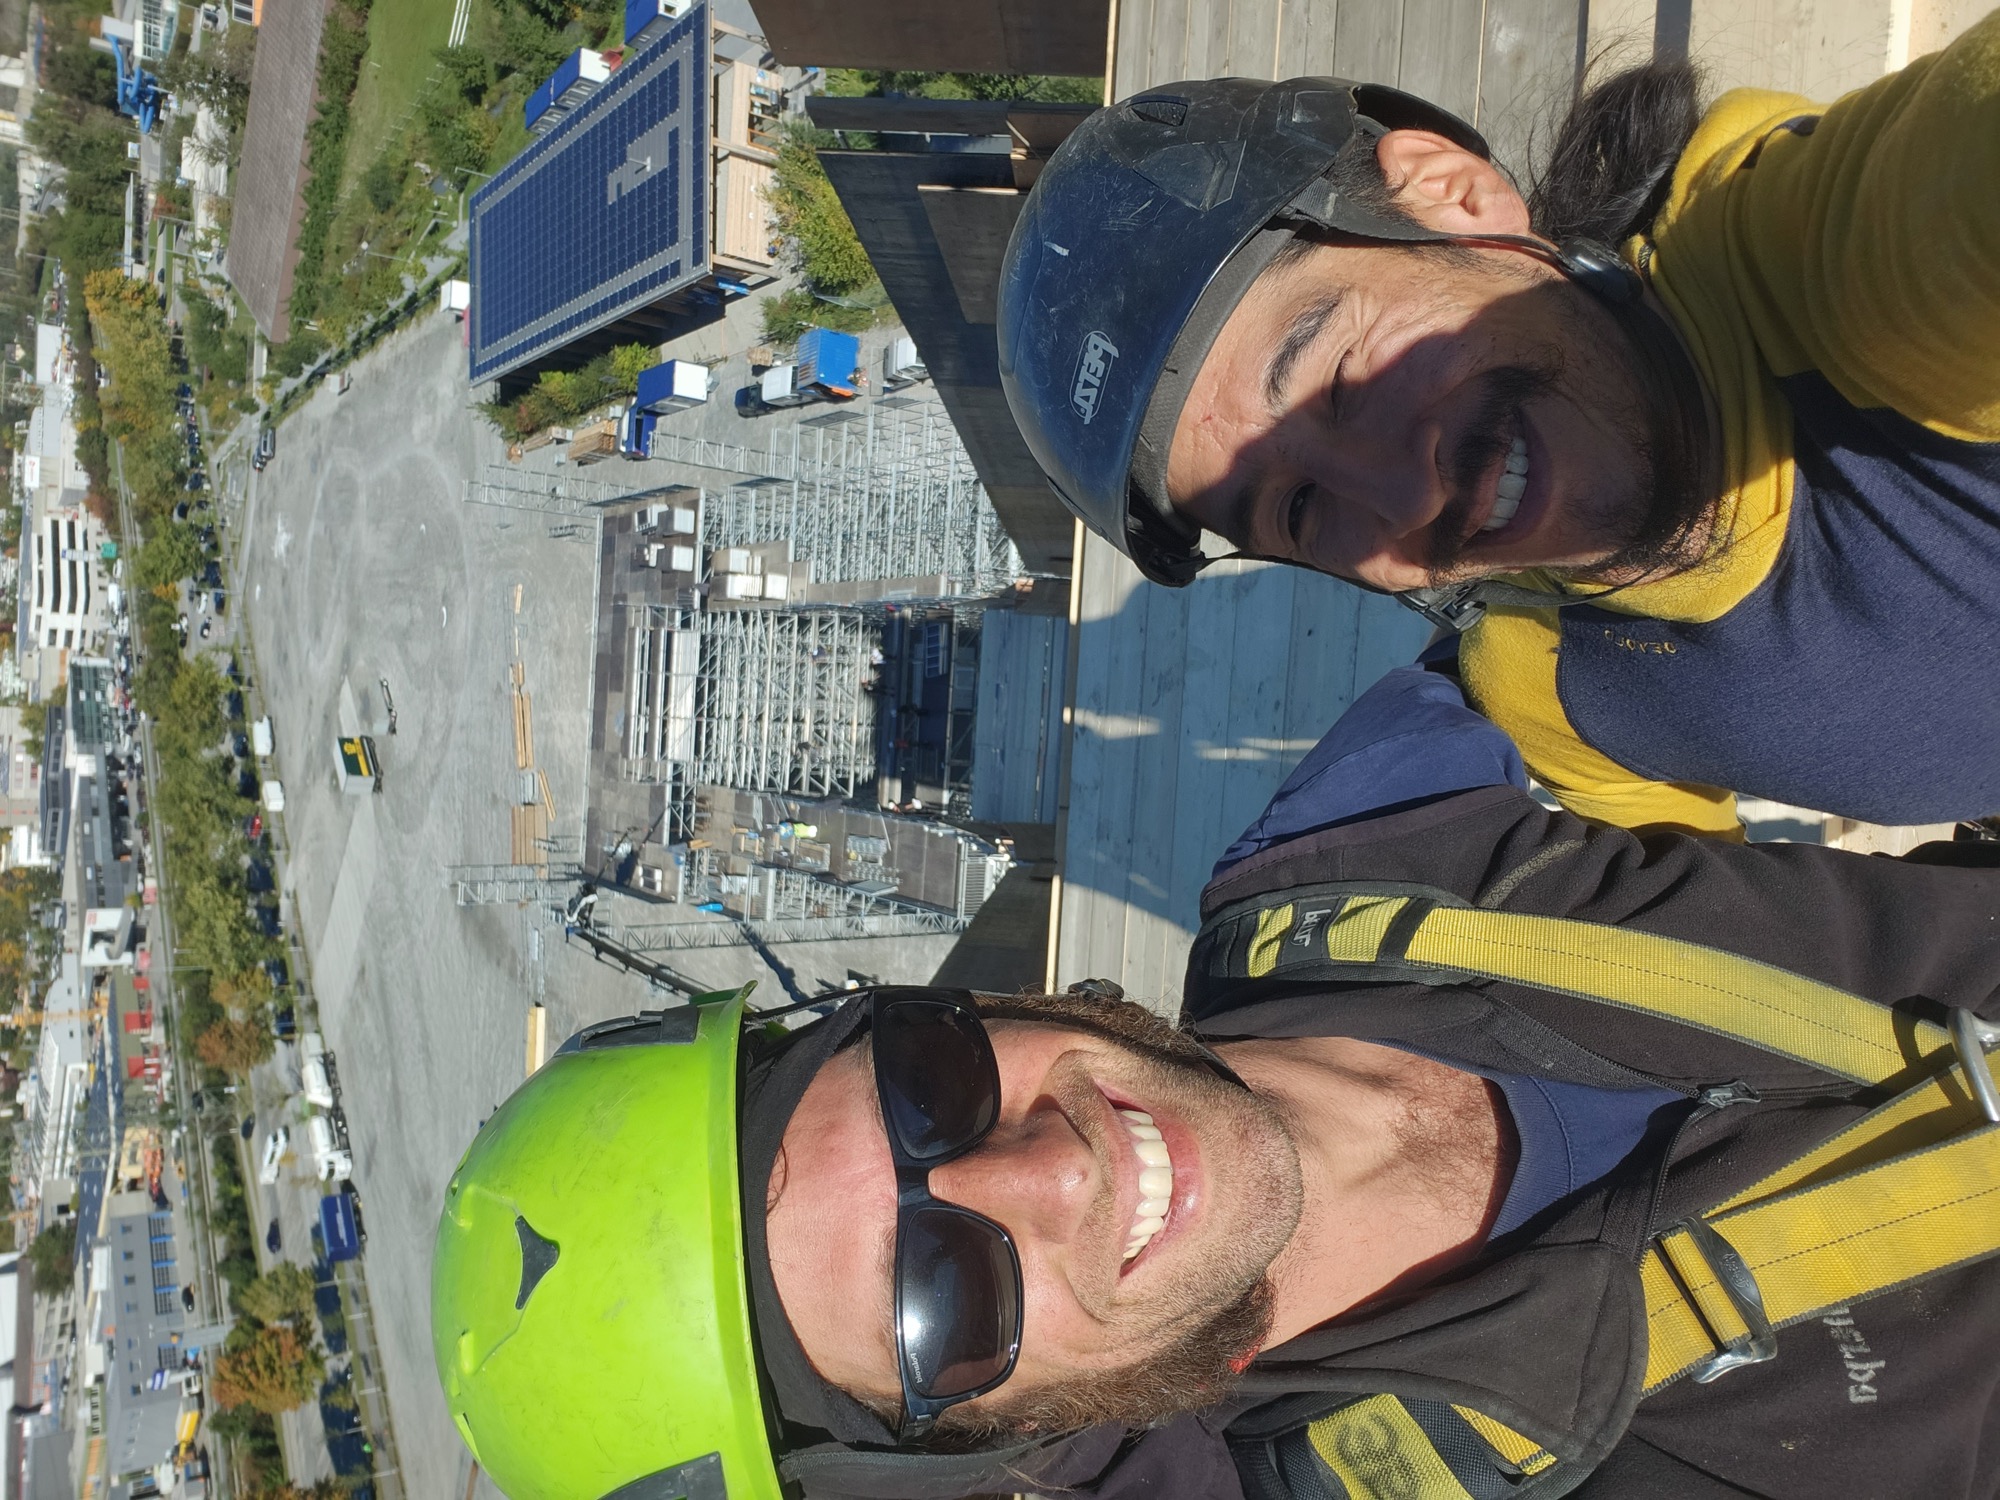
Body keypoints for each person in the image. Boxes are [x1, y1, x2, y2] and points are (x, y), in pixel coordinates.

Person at [434, 664, 2000, 1500]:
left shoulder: (1361, 851)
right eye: (944, 1301)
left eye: (929, 1083)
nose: (1053, 1168)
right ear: (982, 1449)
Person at [994, 15, 2000, 837]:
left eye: (1338, 375)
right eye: (1299, 509)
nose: (1403, 497)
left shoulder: (1857, 265)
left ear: (1452, 195)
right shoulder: (1555, 693)